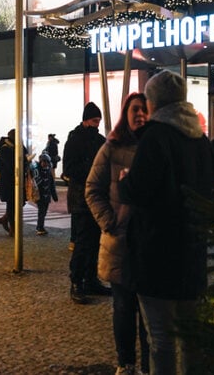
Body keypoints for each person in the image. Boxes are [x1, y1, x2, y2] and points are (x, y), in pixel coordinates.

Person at [118, 71, 214, 375]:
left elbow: (141, 190)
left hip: (157, 251)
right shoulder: (200, 140)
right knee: (191, 336)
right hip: (193, 250)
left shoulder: (156, 136)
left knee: (161, 339)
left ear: (155, 101)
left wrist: (125, 181)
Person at [86, 92, 151, 374]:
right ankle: (126, 363)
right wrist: (109, 222)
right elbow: (93, 189)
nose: (141, 114)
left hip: (150, 240)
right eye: (136, 109)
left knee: (150, 313)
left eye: (146, 110)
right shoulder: (111, 147)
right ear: (126, 113)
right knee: (124, 308)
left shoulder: (156, 146)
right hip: (121, 241)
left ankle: (151, 365)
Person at [63, 102, 108, 302]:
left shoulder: (99, 140)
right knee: (83, 241)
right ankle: (77, 281)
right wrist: (92, 169)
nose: (97, 124)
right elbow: (70, 168)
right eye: (94, 120)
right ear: (86, 119)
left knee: (95, 241)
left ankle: (90, 279)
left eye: (98, 121)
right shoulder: (75, 139)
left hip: (95, 196)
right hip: (81, 197)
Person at [0, 128, 26, 236]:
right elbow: (11, 165)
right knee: (12, 204)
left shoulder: (17, 146)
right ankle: (13, 229)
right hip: (9, 181)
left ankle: (5, 218)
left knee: (19, 203)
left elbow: (24, 157)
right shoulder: (5, 149)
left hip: (17, 180)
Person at [32, 151, 58, 235]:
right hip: (40, 196)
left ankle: (40, 226)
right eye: (43, 161)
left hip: (47, 197)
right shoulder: (37, 172)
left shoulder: (49, 173)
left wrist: (54, 196)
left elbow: (52, 185)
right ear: (40, 162)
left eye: (46, 162)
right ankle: (40, 227)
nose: (45, 163)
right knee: (41, 212)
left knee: (44, 212)